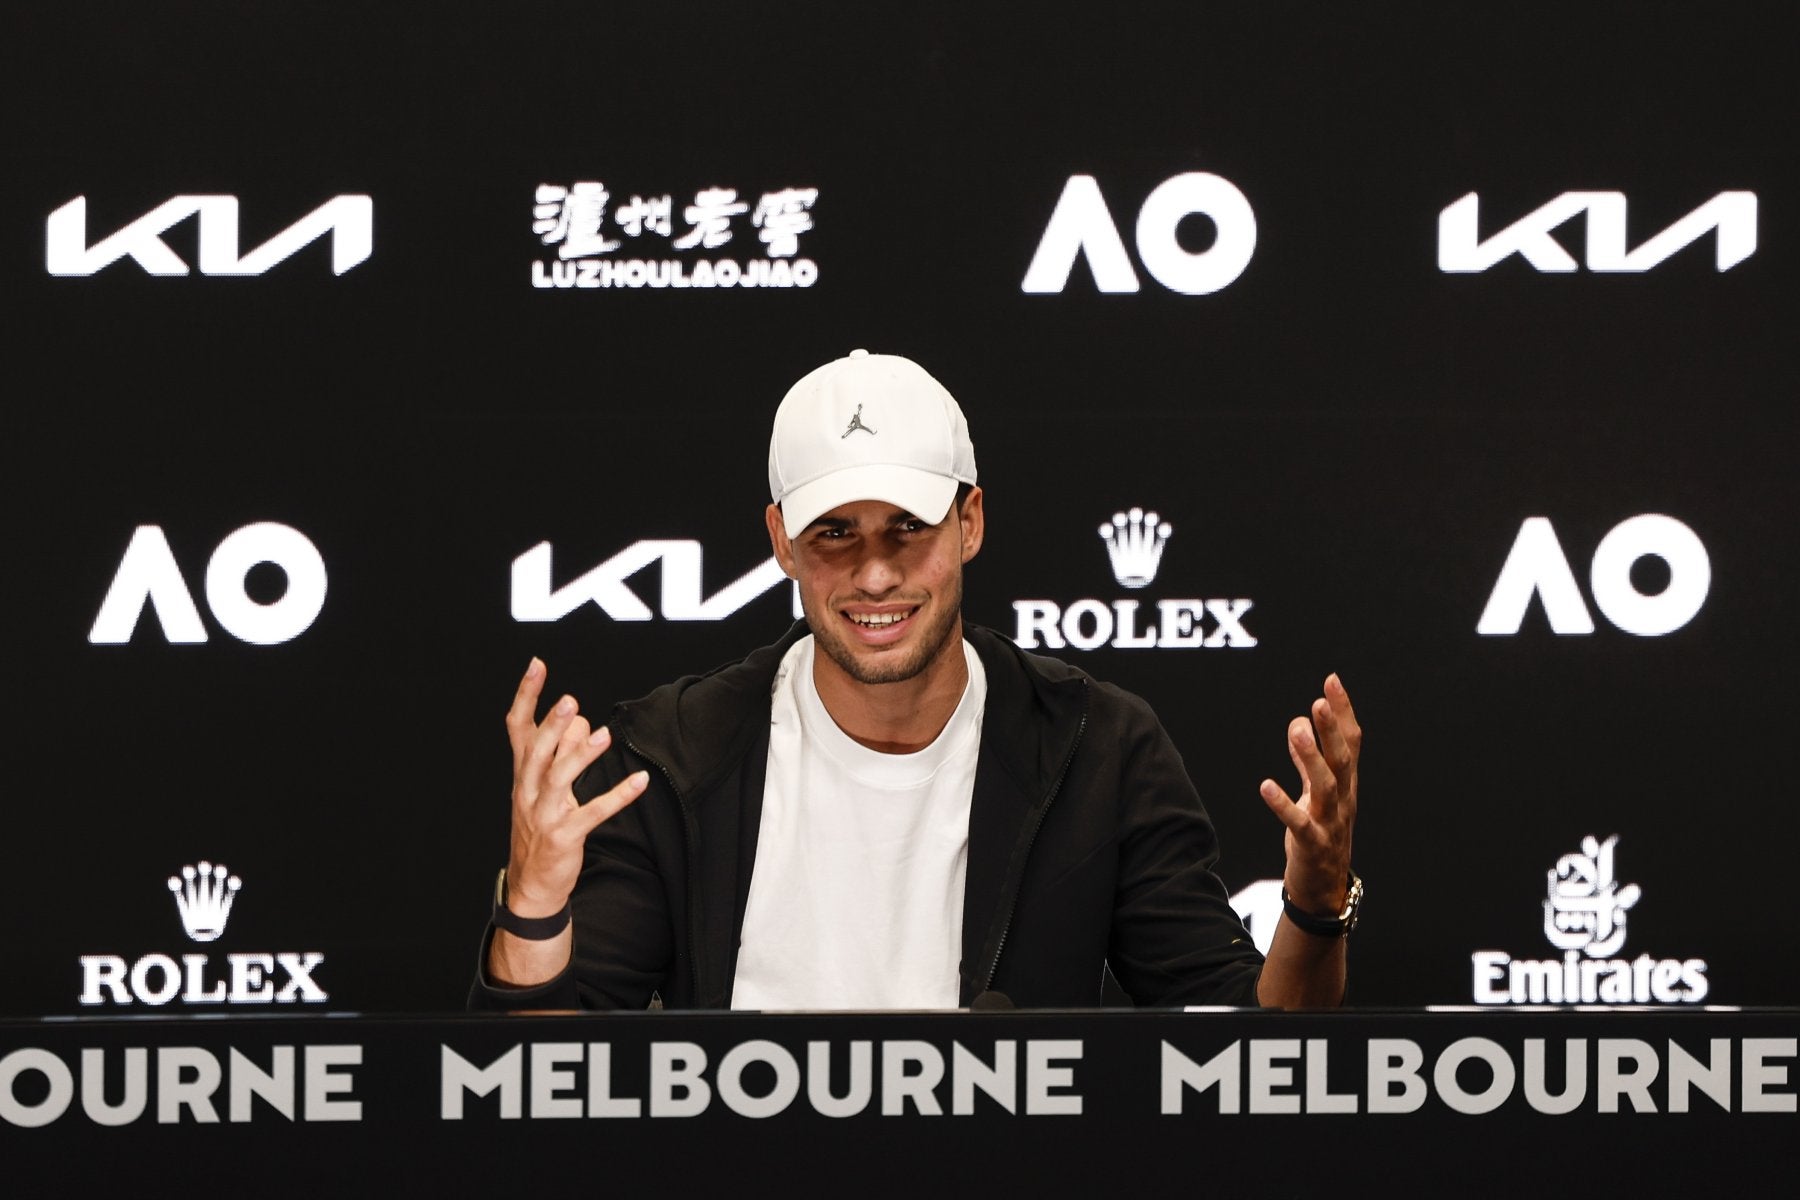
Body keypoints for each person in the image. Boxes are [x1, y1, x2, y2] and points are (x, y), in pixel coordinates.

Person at [471, 349, 1361, 1011]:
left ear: (969, 521)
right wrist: (536, 905)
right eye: (835, 534)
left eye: (907, 526)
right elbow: (547, 1095)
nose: (876, 573)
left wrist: (1315, 907)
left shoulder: (1100, 745)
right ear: (781, 540)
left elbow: (1249, 1071)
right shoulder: (670, 756)